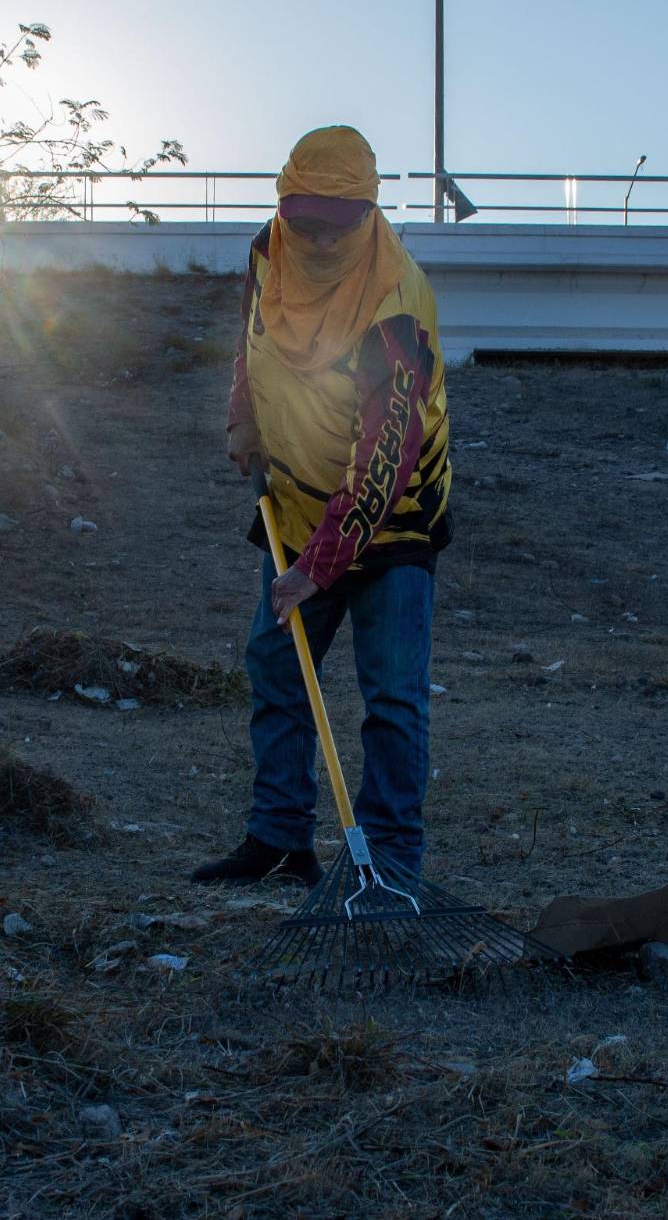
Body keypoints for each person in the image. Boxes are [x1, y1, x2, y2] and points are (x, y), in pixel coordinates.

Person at [192, 125, 453, 889]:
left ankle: (390, 867)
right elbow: (254, 338)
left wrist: (317, 569)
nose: (317, 239)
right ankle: (280, 840)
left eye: (336, 225)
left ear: (367, 215)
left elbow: (385, 458)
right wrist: (243, 415)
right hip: (301, 503)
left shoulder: (396, 304)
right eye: (304, 221)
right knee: (277, 667)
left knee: (393, 696)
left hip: (392, 518)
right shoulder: (266, 252)